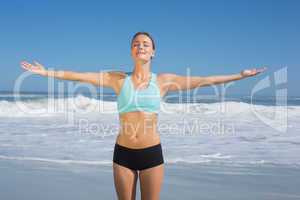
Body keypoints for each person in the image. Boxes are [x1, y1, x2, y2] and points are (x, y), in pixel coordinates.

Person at [20, 31, 266, 200]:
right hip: (123, 154)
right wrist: (45, 72)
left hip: (151, 154)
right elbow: (79, 76)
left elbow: (205, 81)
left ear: (153, 53)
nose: (141, 46)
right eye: (136, 44)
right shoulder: (117, 79)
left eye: (146, 44)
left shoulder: (164, 81)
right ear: (131, 51)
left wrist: (240, 75)